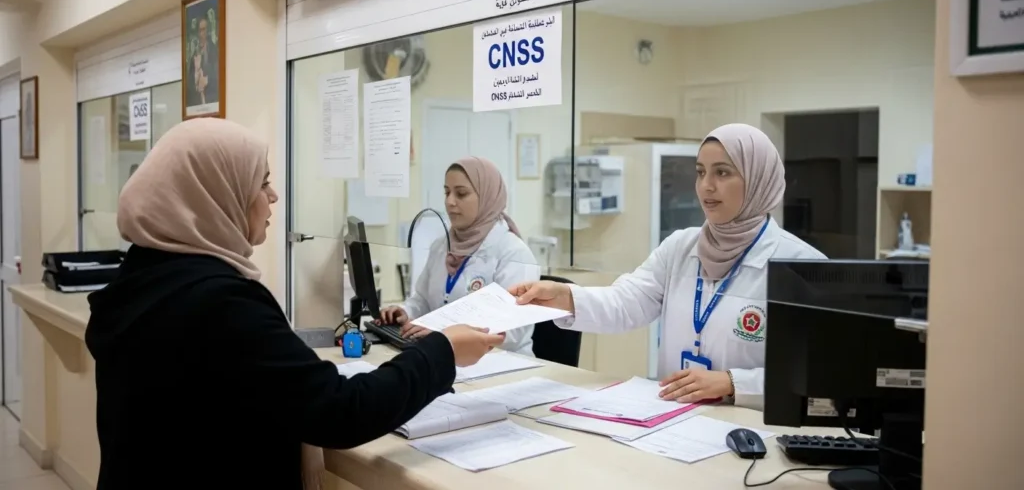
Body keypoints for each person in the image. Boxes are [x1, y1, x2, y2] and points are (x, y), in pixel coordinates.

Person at [85, 118, 504, 490]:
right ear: (216, 194)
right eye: (261, 182)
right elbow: (340, 411)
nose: (272, 196)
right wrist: (441, 353)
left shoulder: (139, 281)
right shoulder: (219, 303)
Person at [510, 123, 825, 410]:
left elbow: (819, 372)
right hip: (673, 418)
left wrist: (733, 383)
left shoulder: (801, 265)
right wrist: (565, 296)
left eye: (722, 172)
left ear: (759, 181)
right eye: (700, 172)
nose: (706, 186)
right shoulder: (681, 246)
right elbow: (628, 301)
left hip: (750, 427)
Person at [378, 156, 540, 355]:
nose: (450, 202)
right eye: (447, 192)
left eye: (461, 194)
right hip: (449, 360)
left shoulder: (514, 253)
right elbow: (423, 300)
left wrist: (445, 333)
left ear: (487, 197)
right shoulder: (441, 246)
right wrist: (405, 312)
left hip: (503, 363)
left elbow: (513, 329)